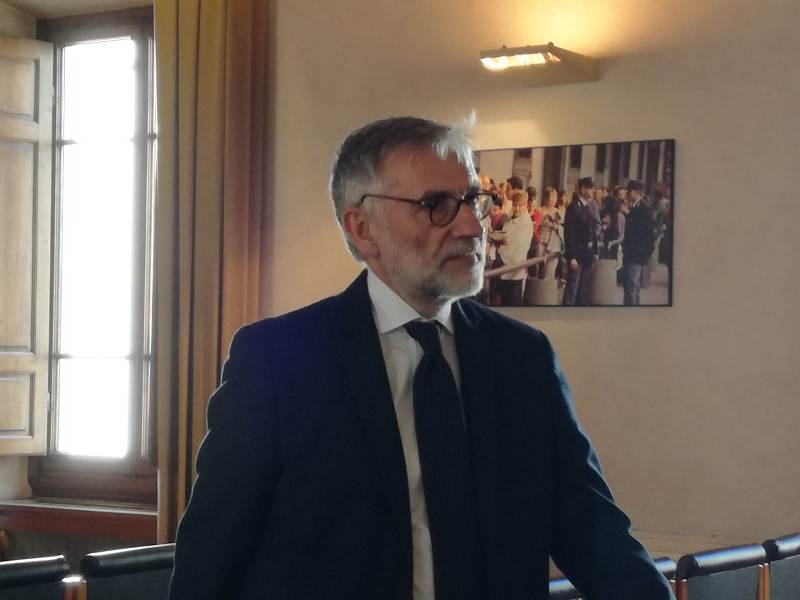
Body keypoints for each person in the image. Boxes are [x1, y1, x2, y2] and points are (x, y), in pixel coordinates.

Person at [168, 116, 676, 600]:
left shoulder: (522, 358)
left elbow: (591, 526)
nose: (471, 227)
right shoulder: (281, 361)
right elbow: (213, 553)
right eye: (436, 205)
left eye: (472, 200)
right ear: (362, 228)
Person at [562, 176, 599, 306]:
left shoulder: (588, 206)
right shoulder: (573, 207)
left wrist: (595, 251)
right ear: (583, 189)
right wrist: (571, 256)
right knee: (572, 288)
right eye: (591, 188)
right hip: (577, 255)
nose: (593, 190)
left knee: (583, 289)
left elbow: (593, 230)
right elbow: (569, 234)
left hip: (587, 254)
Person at [496, 189, 534, 305]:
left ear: (525, 205)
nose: (517, 208)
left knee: (513, 303)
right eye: (515, 205)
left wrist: (501, 256)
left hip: (514, 270)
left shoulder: (526, 223)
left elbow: (517, 246)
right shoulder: (511, 218)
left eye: (520, 205)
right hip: (505, 269)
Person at [621, 179, 655, 305]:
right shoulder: (635, 208)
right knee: (632, 287)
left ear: (634, 193)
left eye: (628, 192)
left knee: (631, 286)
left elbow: (648, 235)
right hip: (630, 254)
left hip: (636, 255)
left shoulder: (644, 209)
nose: (626, 195)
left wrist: (644, 256)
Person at [536, 186, 563, 280]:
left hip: (553, 244)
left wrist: (556, 226)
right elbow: (536, 225)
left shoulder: (558, 212)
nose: (554, 199)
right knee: (538, 267)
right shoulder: (540, 210)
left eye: (555, 196)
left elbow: (562, 227)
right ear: (546, 198)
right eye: (552, 196)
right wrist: (543, 221)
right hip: (541, 241)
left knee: (550, 271)